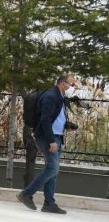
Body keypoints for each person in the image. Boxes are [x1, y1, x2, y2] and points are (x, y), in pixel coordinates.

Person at [17, 73, 77, 214]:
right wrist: (51, 141)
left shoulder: (60, 97)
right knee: (52, 169)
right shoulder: (51, 96)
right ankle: (26, 194)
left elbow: (55, 118)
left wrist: (66, 125)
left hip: (56, 136)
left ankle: (49, 203)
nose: (72, 87)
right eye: (71, 84)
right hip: (48, 137)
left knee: (53, 171)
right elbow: (44, 120)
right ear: (63, 83)